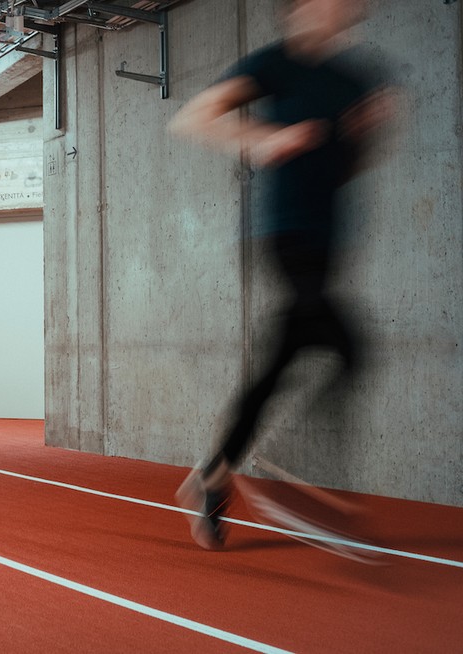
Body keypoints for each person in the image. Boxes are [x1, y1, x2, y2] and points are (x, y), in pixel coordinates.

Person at [168, 0, 396, 550]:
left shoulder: (357, 78)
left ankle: (212, 476)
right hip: (284, 237)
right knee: (347, 346)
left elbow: (348, 167)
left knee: (277, 367)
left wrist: (369, 133)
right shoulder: (275, 64)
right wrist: (262, 140)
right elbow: (194, 118)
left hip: (329, 242)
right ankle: (290, 477)